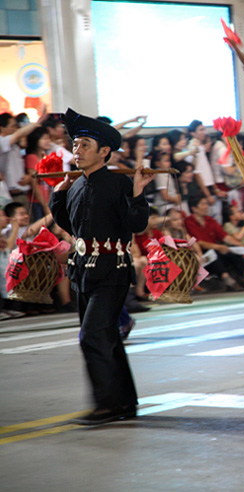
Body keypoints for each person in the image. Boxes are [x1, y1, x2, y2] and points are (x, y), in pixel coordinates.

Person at [49, 108, 154, 424]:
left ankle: (107, 405)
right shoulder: (76, 185)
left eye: (84, 145)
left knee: (92, 336)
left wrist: (137, 195)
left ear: (105, 152)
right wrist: (57, 197)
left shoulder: (119, 184)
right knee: (105, 337)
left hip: (112, 270)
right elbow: (71, 226)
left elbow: (136, 224)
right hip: (84, 271)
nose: (76, 151)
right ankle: (123, 403)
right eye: (76, 145)